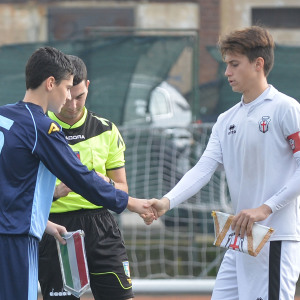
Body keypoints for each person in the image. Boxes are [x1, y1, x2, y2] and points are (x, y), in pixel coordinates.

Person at [144, 26, 300, 299]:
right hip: (240, 241)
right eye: (227, 64)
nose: (227, 72)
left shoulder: (286, 109)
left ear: (258, 64)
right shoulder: (226, 119)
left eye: (234, 64)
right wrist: (166, 202)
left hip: (275, 239)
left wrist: (265, 208)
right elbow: (203, 168)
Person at [0, 46, 154, 300]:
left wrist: (44, 223)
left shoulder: (5, 116)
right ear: (51, 83)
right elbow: (80, 177)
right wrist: (131, 203)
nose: (68, 98)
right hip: (14, 239)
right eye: (66, 88)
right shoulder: (42, 126)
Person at [39, 55, 134, 300]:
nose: (72, 106)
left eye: (79, 97)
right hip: (56, 228)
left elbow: (122, 189)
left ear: (88, 87)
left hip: (101, 225)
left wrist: (105, 182)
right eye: (68, 96)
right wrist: (57, 191)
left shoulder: (106, 130)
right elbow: (20, 192)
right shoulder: (38, 129)